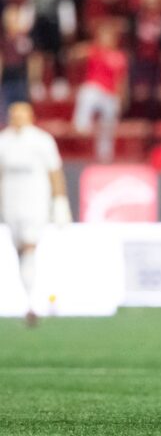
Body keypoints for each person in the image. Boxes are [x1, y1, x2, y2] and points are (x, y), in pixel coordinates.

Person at [0, 102, 72, 326]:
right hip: (11, 200)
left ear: (30, 117)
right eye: (13, 115)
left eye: (21, 115)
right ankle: (26, 295)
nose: (17, 119)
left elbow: (54, 172)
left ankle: (33, 303)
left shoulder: (42, 140)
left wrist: (59, 201)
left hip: (35, 200)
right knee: (19, 247)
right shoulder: (4, 141)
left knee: (31, 245)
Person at [72, 23, 129, 162]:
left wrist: (121, 99)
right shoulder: (94, 51)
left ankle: (105, 154)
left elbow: (121, 80)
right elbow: (74, 53)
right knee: (86, 92)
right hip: (95, 90)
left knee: (108, 122)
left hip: (110, 95)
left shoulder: (119, 57)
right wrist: (90, 47)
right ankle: (81, 124)